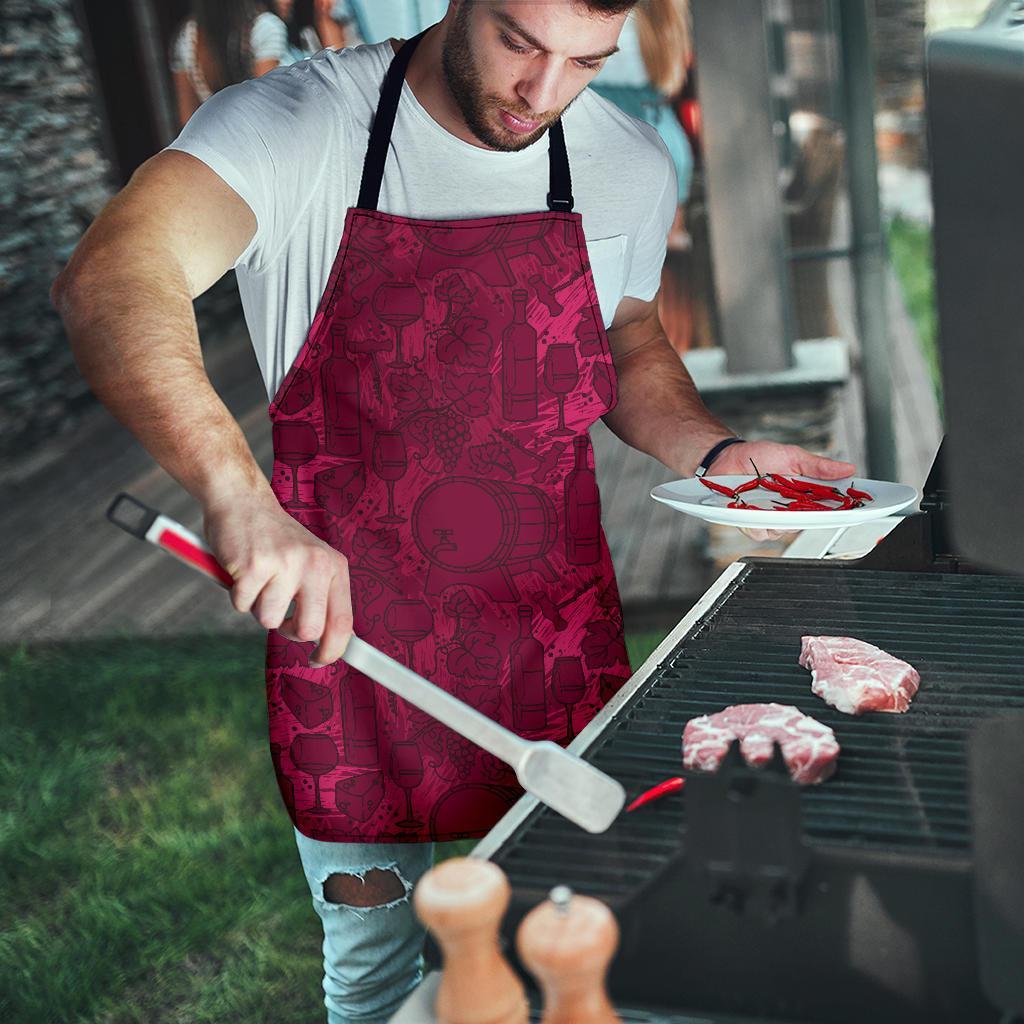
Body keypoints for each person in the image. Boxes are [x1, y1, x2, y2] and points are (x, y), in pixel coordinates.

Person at [52, 2, 856, 1020]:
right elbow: (113, 275)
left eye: (586, 62)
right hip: (351, 656)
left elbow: (628, 335)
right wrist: (236, 496)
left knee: (588, 946)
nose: (544, 93)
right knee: (379, 976)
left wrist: (717, 450)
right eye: (521, 43)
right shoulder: (297, 125)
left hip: (553, 639)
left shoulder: (625, 160)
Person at [169, 0, 289, 128]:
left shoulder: (187, 37)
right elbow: (269, 107)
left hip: (217, 141)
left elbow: (187, 120)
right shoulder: (265, 27)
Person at [274, 0, 351, 64]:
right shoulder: (270, 26)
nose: (288, 2)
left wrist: (323, 16)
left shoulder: (306, 28)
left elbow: (339, 62)